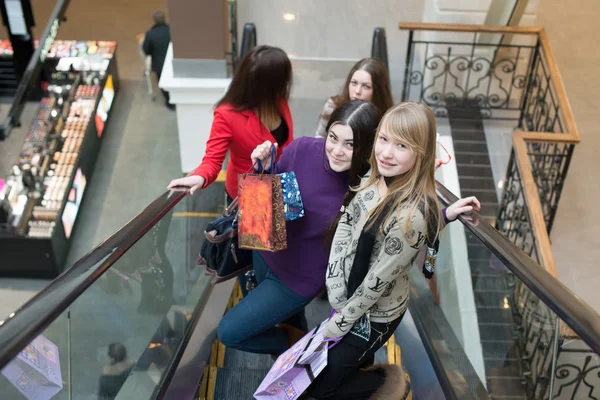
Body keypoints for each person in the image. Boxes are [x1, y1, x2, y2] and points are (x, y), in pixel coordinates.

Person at [306, 102, 481, 400]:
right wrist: (335, 287)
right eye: (383, 139)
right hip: (347, 297)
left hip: (374, 314)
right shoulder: (373, 179)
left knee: (317, 389)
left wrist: (337, 322)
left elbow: (377, 280)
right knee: (337, 370)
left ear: (421, 154)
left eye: (401, 145)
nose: (386, 152)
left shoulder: (411, 218)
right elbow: (345, 229)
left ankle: (385, 385)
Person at [167, 45, 294, 201]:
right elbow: (212, 160)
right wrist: (199, 177)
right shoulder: (227, 115)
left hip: (284, 186)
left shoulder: (279, 101)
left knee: (286, 225)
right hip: (250, 196)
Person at [315, 58, 393, 138]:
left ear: (378, 91)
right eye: (354, 83)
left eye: (366, 86)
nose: (357, 91)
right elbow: (319, 139)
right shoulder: (333, 106)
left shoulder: (388, 118)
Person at [143, 11, 173, 109]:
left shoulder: (150, 34)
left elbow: (146, 50)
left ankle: (170, 102)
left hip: (159, 64)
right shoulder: (172, 29)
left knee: (164, 84)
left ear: (154, 21)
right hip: (172, 61)